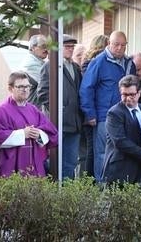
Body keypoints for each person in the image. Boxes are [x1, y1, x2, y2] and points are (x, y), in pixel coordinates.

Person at [79, 31, 136, 182]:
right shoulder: (98, 62)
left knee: (124, 153)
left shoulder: (129, 63)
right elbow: (86, 88)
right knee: (103, 154)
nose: (119, 48)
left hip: (127, 115)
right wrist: (90, 114)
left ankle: (121, 189)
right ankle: (102, 189)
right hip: (105, 116)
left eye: (123, 45)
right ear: (109, 44)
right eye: (116, 44)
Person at [0, 71, 58, 177]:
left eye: (27, 86)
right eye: (20, 86)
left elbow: (51, 133)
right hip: (10, 166)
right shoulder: (0, 111)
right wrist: (23, 134)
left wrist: (38, 134)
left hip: (34, 165)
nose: (25, 89)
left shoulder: (33, 110)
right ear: (10, 88)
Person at [37, 34, 84, 180]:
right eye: (67, 47)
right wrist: (59, 111)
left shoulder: (75, 67)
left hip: (74, 124)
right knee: (55, 162)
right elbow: (43, 93)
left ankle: (67, 195)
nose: (70, 49)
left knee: (70, 163)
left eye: (72, 47)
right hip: (58, 124)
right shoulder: (49, 66)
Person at [102, 75, 141, 188]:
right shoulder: (114, 113)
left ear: (139, 93)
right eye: (124, 95)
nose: (128, 98)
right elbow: (120, 141)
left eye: (131, 94)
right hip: (121, 169)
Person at [78, 34, 108, 178]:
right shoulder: (94, 62)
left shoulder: (86, 61)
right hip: (94, 113)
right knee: (93, 149)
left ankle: (90, 180)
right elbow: (88, 88)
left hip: (93, 112)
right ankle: (89, 181)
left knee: (93, 149)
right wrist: (90, 113)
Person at [20, 34, 48, 106]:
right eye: (43, 46)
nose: (46, 50)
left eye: (47, 46)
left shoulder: (39, 61)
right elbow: (48, 82)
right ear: (32, 48)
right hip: (33, 107)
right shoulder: (31, 63)